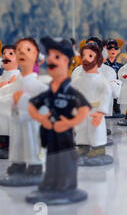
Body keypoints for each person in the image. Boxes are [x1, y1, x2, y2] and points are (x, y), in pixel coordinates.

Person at [26, 37, 90, 205]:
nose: (50, 61)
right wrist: (41, 118)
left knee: (66, 158)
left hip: (65, 136)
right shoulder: (49, 91)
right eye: (49, 56)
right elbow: (32, 105)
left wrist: (69, 123)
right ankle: (51, 181)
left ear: (66, 61)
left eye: (56, 56)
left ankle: (66, 183)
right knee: (51, 158)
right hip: (49, 132)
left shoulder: (71, 91)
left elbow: (84, 109)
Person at [0, 38, 48, 186]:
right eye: (20, 50)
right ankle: (18, 164)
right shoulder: (15, 84)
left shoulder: (38, 86)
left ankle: (35, 166)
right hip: (16, 123)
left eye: (28, 50)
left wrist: (24, 101)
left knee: (31, 143)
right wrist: (12, 101)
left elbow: (46, 104)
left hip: (32, 125)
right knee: (17, 144)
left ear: (36, 57)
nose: (22, 52)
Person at [72, 42, 113, 166]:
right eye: (83, 56)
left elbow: (106, 94)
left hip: (95, 110)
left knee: (96, 130)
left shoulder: (101, 81)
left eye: (90, 56)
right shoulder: (78, 80)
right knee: (81, 130)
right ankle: (82, 146)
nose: (85, 59)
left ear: (98, 60)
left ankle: (98, 149)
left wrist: (101, 112)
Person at [0, 44, 20, 159]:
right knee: (1, 125)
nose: (6, 56)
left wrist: (6, 85)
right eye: (4, 54)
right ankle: (2, 141)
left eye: (10, 54)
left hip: (12, 108)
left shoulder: (17, 75)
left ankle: (13, 144)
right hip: (1, 108)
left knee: (11, 125)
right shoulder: (3, 75)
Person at [103, 39, 124, 118]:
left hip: (117, 95)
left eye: (115, 48)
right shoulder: (103, 66)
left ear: (119, 50)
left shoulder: (121, 67)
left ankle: (116, 110)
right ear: (106, 50)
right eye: (110, 48)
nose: (113, 50)